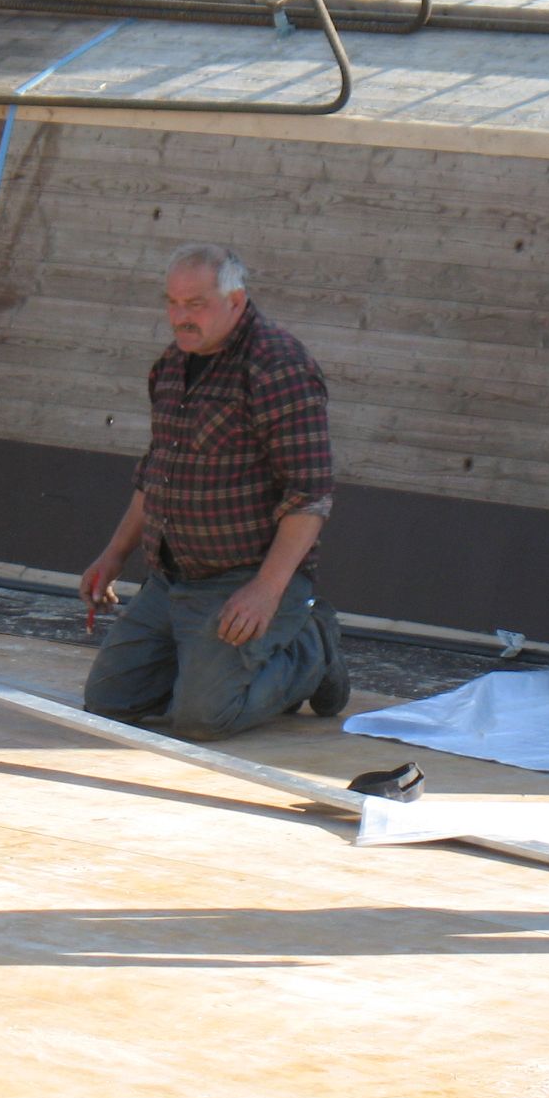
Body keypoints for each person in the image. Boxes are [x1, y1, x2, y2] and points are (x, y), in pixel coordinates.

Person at [78, 243, 349, 741]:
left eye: (195, 304)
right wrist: (113, 555)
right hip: (171, 579)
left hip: (244, 579)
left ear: (236, 301)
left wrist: (266, 591)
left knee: (204, 719)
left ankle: (313, 649)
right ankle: (203, 662)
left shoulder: (278, 367)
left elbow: (310, 495)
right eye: (172, 303)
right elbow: (156, 471)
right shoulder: (171, 366)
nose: (180, 317)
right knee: (108, 703)